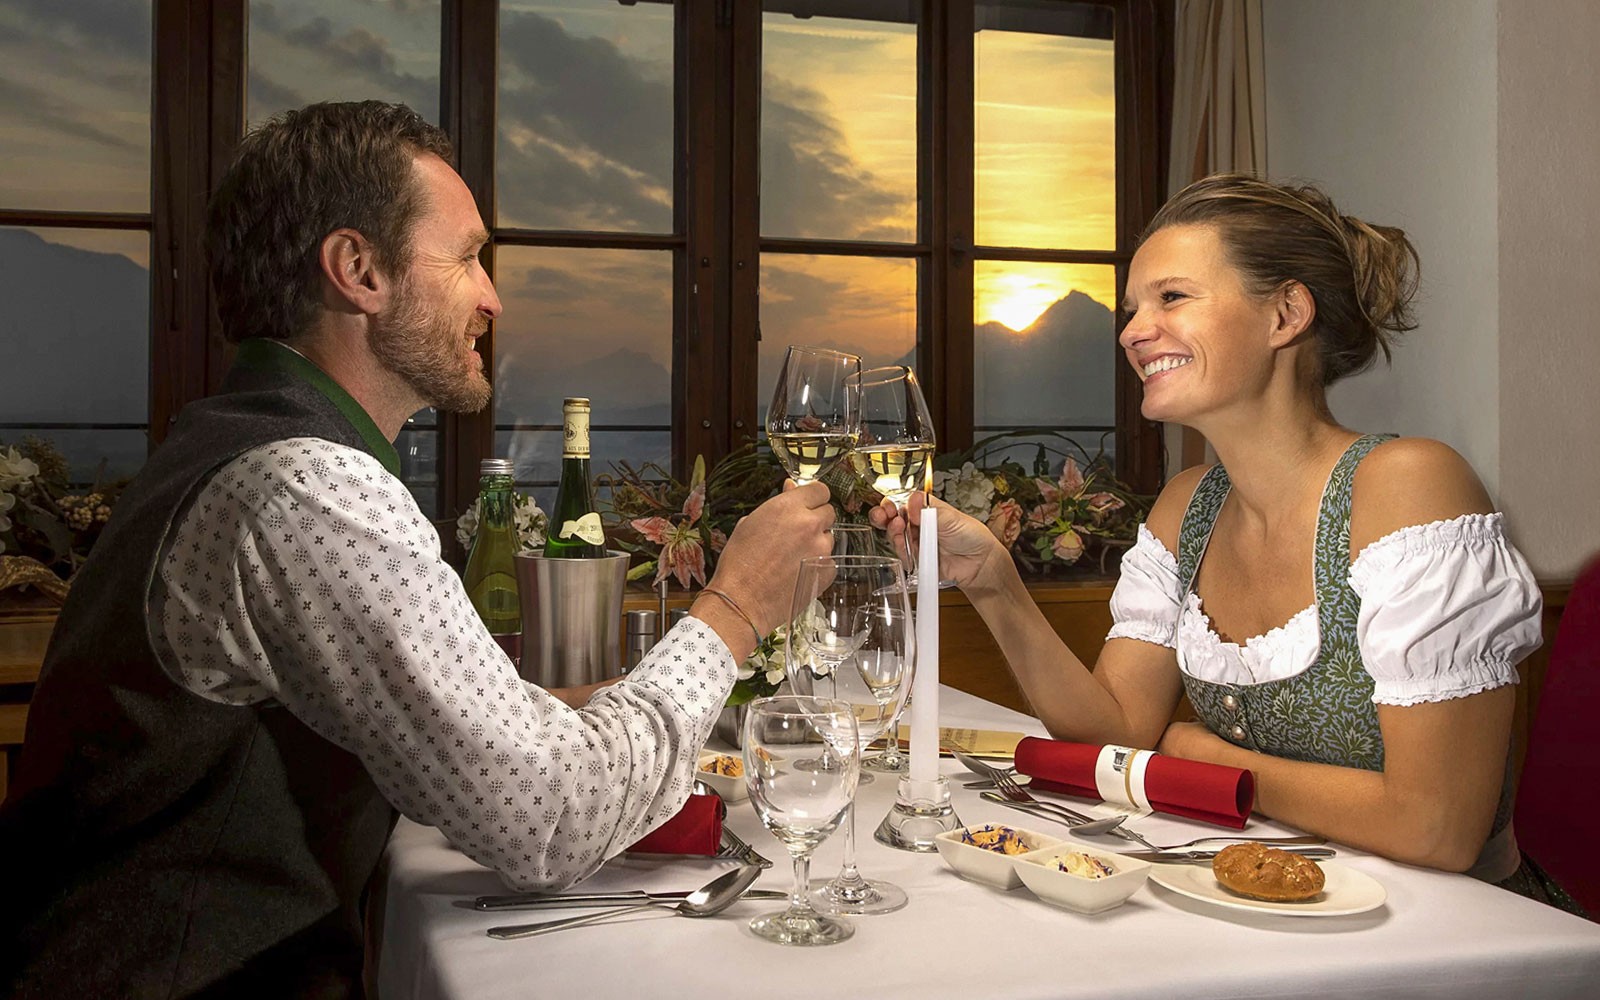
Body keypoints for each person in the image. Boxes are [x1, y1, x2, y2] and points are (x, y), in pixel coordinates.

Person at [0, 101, 835, 998]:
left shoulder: (243, 446)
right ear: (358, 269)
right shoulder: (310, 490)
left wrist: (567, 707)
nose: (491, 296)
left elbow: (434, 728)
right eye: (468, 256)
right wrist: (739, 605)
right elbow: (552, 822)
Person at [880, 173, 1580, 912]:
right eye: (1132, 309)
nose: (1131, 331)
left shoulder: (1410, 487)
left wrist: (1205, 757)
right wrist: (992, 577)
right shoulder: (1189, 506)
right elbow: (1113, 729)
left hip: (1465, 938)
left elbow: (1436, 828)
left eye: (1171, 298)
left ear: (1285, 314)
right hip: (1260, 911)